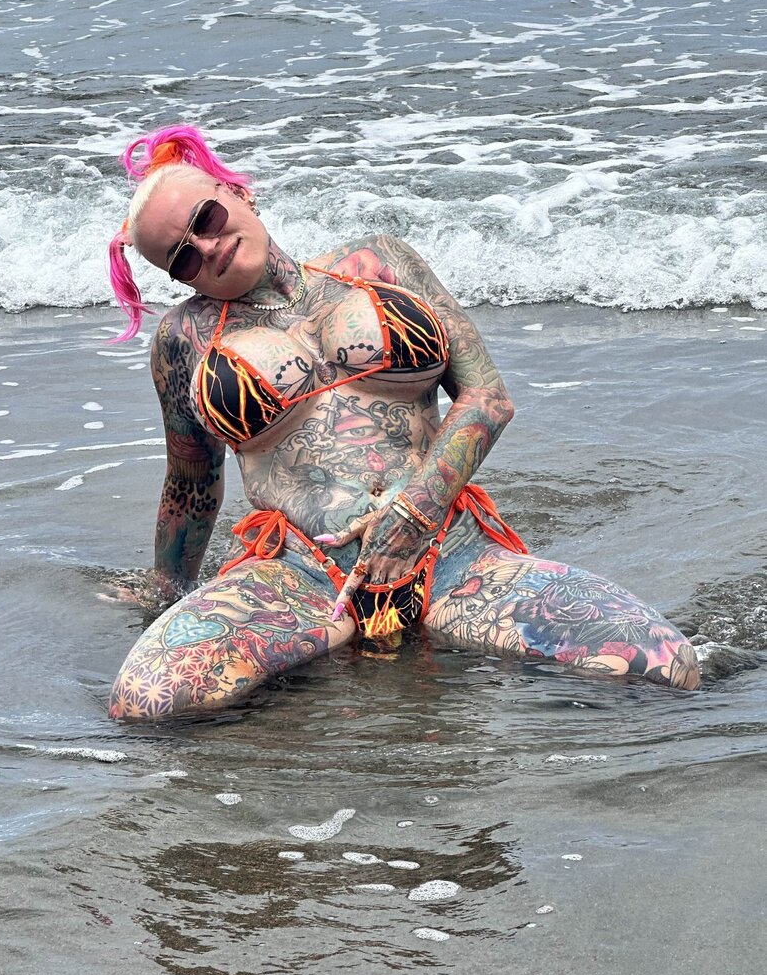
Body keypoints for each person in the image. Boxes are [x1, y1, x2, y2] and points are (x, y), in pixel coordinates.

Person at [106, 125, 699, 721]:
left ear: (237, 192)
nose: (206, 248)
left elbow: (486, 397)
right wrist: (167, 590)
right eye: (182, 256)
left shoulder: (381, 262)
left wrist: (414, 514)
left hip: (452, 556)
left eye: (205, 220)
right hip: (301, 580)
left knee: (664, 663)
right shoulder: (183, 341)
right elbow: (191, 482)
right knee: (146, 700)